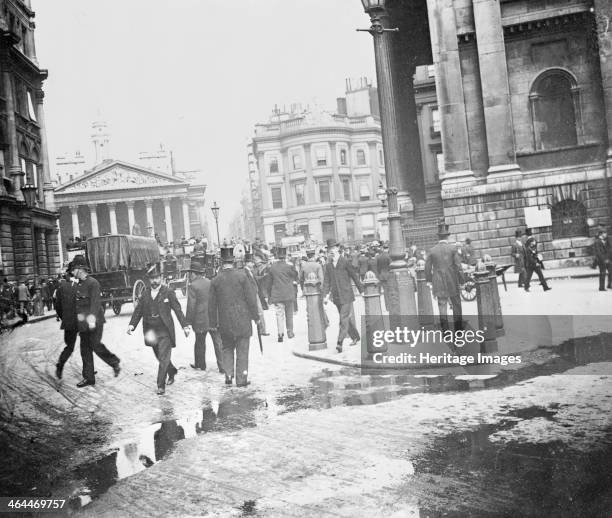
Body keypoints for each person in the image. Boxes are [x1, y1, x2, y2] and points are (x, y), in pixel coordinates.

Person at [128, 263, 189, 395]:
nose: (155, 281)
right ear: (148, 280)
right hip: (151, 331)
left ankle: (160, 385)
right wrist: (132, 325)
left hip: (165, 331)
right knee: (160, 356)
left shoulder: (168, 292)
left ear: (161, 277)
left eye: (157, 278)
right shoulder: (145, 294)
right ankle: (172, 370)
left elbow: (178, 310)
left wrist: (185, 326)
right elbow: (138, 311)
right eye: (152, 278)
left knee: (163, 357)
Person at [208, 246, 259, 387]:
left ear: (221, 262)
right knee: (242, 350)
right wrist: (256, 317)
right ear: (233, 261)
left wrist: (213, 323)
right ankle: (241, 380)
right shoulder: (242, 277)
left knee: (227, 348)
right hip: (242, 320)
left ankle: (228, 376)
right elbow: (251, 299)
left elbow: (211, 305)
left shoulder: (215, 280)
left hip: (225, 322)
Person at [70, 255, 121, 388]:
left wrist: (91, 321)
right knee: (84, 350)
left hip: (95, 322)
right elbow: (78, 307)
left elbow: (95, 304)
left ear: (80, 269)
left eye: (74, 269)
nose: (72, 272)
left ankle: (114, 362)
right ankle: (89, 378)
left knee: (95, 345)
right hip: (83, 324)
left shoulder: (93, 283)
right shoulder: (78, 284)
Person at [185, 256, 224, 373]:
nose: (189, 275)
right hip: (213, 317)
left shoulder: (192, 286)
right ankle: (223, 366)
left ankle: (200, 364)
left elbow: (191, 306)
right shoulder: (210, 282)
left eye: (190, 273)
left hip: (200, 319)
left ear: (193, 273)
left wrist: (188, 321)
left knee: (200, 342)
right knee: (218, 342)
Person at [322, 242, 363, 353]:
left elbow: (354, 276)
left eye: (333, 249)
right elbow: (326, 281)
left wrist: (361, 290)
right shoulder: (328, 265)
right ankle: (355, 336)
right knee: (344, 318)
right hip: (336, 297)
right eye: (329, 250)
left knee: (343, 318)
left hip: (346, 295)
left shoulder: (345, 262)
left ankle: (339, 343)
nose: (331, 251)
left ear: (337, 250)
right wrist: (325, 295)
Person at [424, 222, 465, 332]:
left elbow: (427, 267)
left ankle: (445, 330)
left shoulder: (432, 250)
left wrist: (429, 280)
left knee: (442, 305)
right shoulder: (453, 249)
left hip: (438, 281)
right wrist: (462, 281)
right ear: (447, 236)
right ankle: (459, 329)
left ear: (438, 236)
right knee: (456, 305)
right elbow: (458, 266)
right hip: (452, 280)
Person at [267, 247, 298, 342]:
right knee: (289, 314)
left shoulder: (272, 267)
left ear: (277, 256)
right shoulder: (289, 266)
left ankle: (280, 334)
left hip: (277, 294)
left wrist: (270, 295)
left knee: (279, 314)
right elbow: (295, 275)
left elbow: (269, 282)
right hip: (288, 293)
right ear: (285, 256)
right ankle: (290, 332)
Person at [54, 264, 79, 379]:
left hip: (69, 321)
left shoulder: (61, 287)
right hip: (81, 320)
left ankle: (60, 365)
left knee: (69, 346)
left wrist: (64, 317)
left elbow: (57, 306)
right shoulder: (79, 285)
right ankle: (88, 370)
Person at [300, 248, 328, 328]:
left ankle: (312, 324)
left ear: (307, 256)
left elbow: (300, 278)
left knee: (310, 307)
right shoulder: (317, 265)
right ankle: (324, 322)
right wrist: (322, 289)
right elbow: (321, 279)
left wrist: (303, 289)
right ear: (314, 255)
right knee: (319, 306)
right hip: (317, 289)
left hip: (308, 290)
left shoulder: (304, 266)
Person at [244, 249, 269, 336]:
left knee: (259, 312)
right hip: (253, 294)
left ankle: (263, 330)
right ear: (247, 263)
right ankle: (262, 330)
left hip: (256, 293)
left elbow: (255, 279)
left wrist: (263, 277)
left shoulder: (249, 271)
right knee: (259, 312)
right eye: (251, 262)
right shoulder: (246, 272)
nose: (253, 264)